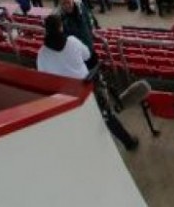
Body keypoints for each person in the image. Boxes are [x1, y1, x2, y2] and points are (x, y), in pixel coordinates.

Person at [36, 14, 139, 152]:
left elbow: (44, 76)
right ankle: (128, 143)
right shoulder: (72, 41)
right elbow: (87, 55)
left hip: (66, 97)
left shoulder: (41, 53)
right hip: (87, 88)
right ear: (61, 27)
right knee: (107, 117)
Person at [57, 0, 99, 67]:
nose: (67, 5)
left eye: (68, 2)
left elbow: (90, 18)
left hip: (90, 47)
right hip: (77, 55)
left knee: (95, 69)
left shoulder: (81, 7)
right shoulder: (59, 18)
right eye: (64, 3)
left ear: (72, 0)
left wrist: (93, 29)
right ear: (60, 4)